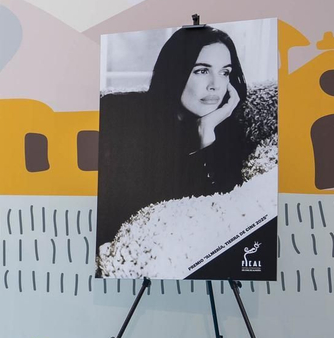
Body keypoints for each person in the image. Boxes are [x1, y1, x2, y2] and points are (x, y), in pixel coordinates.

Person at [95, 24, 255, 250]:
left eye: (224, 72)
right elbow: (132, 213)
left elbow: (209, 222)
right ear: (175, 71)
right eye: (201, 70)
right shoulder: (121, 113)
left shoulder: (229, 134)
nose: (215, 86)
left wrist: (205, 133)